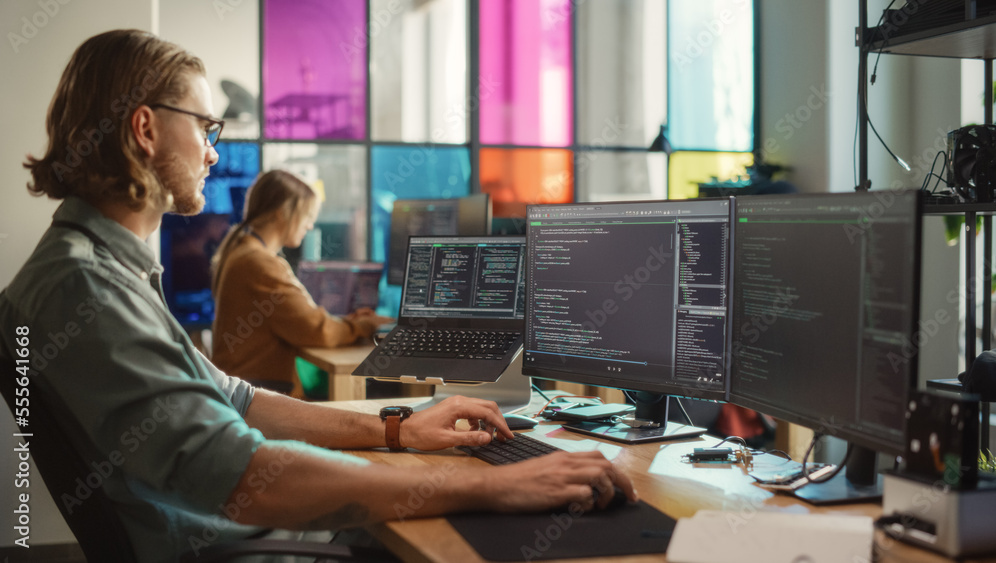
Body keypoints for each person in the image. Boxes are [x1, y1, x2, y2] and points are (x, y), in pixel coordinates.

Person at [0, 29, 636, 563]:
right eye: (205, 127)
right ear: (144, 129)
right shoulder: (83, 285)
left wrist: (400, 429)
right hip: (245, 546)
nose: (214, 152)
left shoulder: (104, 271)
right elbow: (243, 475)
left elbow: (235, 399)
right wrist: (503, 488)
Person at [210, 169, 388, 397]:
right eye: (308, 215)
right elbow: (316, 330)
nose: (310, 226)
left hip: (241, 387)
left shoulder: (239, 249)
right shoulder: (260, 263)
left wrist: (346, 322)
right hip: (258, 394)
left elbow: (303, 321)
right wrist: (363, 326)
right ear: (284, 213)